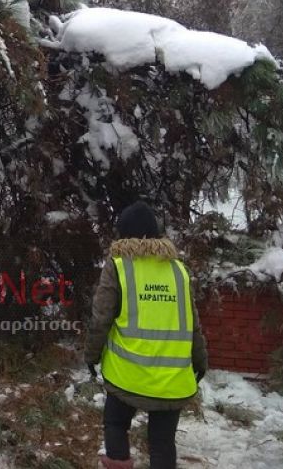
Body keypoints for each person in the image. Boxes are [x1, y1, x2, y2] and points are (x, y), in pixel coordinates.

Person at [84, 201, 208, 469]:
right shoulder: (178, 271)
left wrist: (91, 356)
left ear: (123, 234)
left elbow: (101, 318)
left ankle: (118, 463)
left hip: (126, 376)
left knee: (116, 424)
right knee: (163, 443)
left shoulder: (118, 266)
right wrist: (200, 361)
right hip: (172, 381)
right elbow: (192, 324)